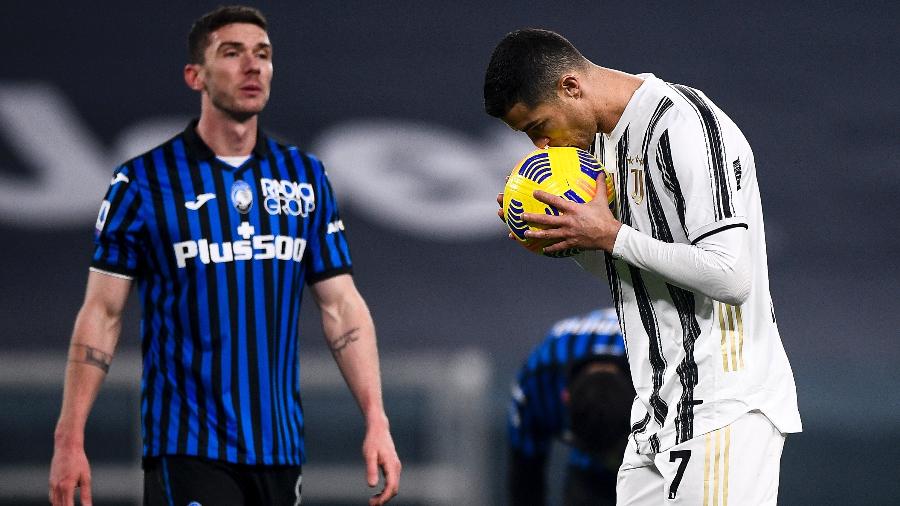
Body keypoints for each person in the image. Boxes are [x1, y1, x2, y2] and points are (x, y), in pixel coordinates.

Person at [48, 6, 401, 506]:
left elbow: (341, 307)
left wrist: (376, 420)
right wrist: (69, 438)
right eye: (231, 53)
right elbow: (103, 313)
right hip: (188, 449)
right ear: (196, 75)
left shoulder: (304, 177)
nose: (252, 66)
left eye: (263, 55)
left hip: (280, 450)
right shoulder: (143, 181)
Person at [484, 29, 801, 505]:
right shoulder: (600, 151)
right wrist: (570, 242)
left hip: (723, 409)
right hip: (655, 414)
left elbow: (732, 277)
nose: (541, 144)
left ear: (571, 86)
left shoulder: (687, 125)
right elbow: (636, 271)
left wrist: (609, 235)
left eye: (538, 126)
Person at [508, 308, 633, 506]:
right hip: (587, 472)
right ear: (564, 399)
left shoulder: (668, 375)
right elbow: (525, 480)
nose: (610, 463)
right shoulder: (538, 382)